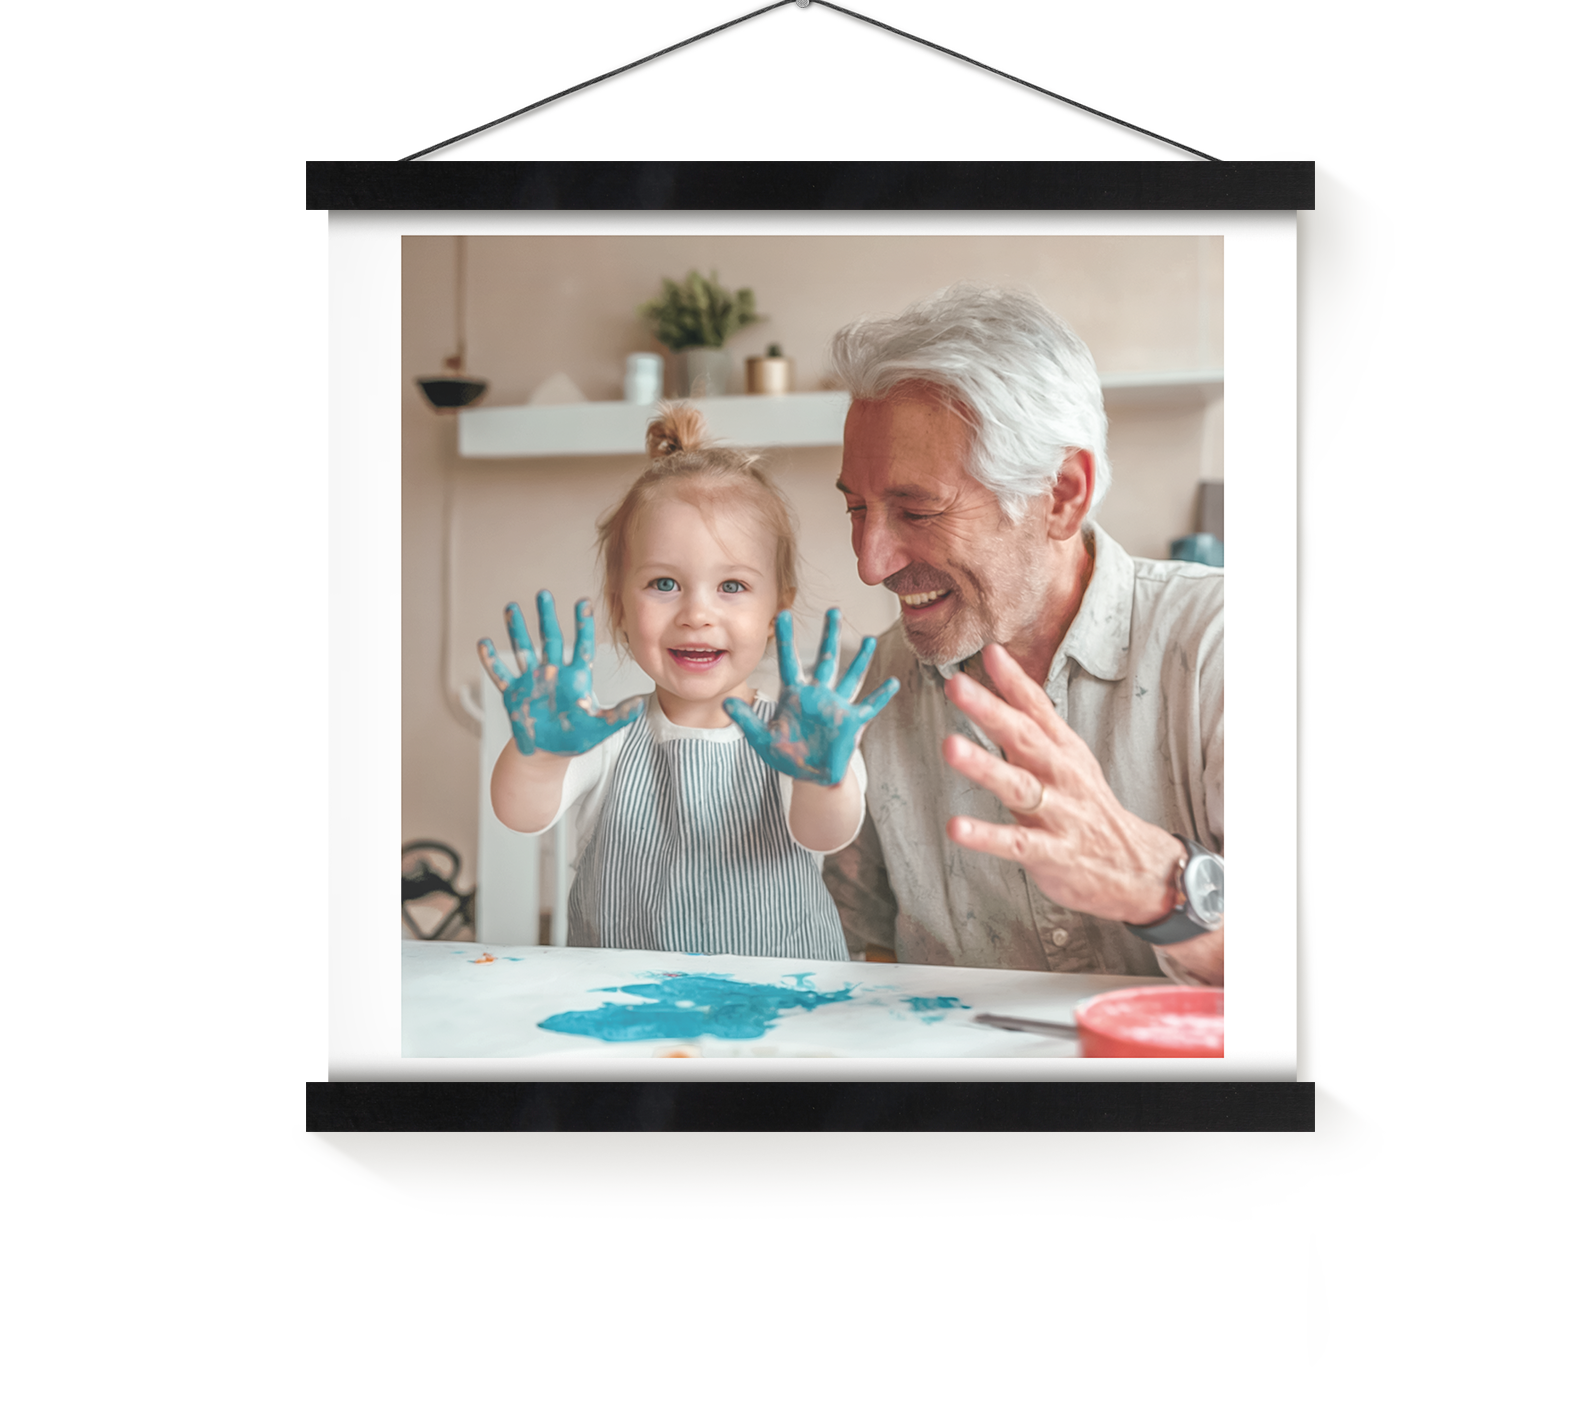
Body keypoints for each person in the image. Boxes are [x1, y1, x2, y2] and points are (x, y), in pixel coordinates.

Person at [821, 285, 1225, 986]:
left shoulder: (1226, 647)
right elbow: (853, 953)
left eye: (915, 510)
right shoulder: (873, 686)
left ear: (1062, 494)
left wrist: (1159, 887)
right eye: (858, 509)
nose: (871, 563)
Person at [482, 403, 897, 959]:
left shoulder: (798, 739)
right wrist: (539, 758)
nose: (697, 614)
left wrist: (825, 778)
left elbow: (826, 834)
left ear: (779, 608)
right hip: (623, 1008)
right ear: (619, 607)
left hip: (781, 1011)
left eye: (732, 587)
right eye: (663, 583)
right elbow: (519, 812)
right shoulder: (603, 738)